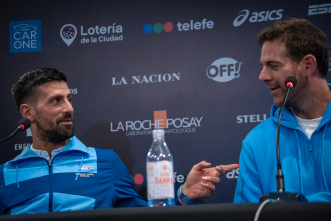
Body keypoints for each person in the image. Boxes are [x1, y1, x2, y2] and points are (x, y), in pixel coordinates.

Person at [0, 67, 238, 214]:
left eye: (69, 98)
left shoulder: (105, 162)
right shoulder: (6, 173)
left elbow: (142, 216)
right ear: (28, 113)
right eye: (56, 101)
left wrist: (184, 194)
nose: (69, 108)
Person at [232, 18, 331, 203]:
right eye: (262, 66)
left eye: (273, 66)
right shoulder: (256, 141)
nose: (262, 76)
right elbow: (250, 214)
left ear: (308, 65)